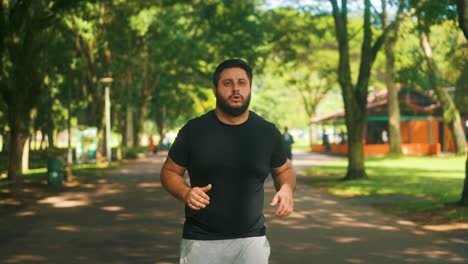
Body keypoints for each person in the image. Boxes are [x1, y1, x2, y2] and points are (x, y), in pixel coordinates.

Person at [160, 58, 296, 264]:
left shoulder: (267, 132)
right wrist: (185, 192)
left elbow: (284, 170)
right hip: (201, 239)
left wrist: (286, 188)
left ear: (250, 88)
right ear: (215, 89)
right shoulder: (194, 130)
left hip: (251, 240)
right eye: (227, 83)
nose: (236, 89)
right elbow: (169, 171)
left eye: (242, 83)